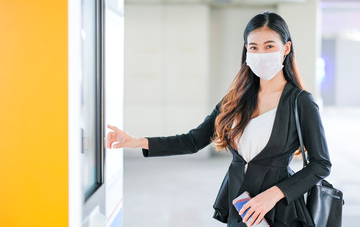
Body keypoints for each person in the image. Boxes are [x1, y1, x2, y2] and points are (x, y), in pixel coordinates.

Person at [106, 12, 331, 227]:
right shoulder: (235, 100)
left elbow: (321, 164)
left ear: (286, 48)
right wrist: (138, 142)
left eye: (269, 46)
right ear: (246, 51)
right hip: (240, 207)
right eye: (254, 47)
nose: (261, 54)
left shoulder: (300, 101)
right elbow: (193, 141)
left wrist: (273, 195)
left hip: (280, 212)